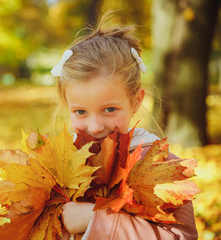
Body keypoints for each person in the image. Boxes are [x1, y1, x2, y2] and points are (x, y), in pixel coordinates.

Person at [50, 13, 198, 240]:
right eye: (80, 112)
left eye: (109, 110)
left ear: (136, 101)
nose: (95, 126)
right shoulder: (59, 167)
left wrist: (95, 220)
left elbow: (180, 236)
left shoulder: (158, 165)